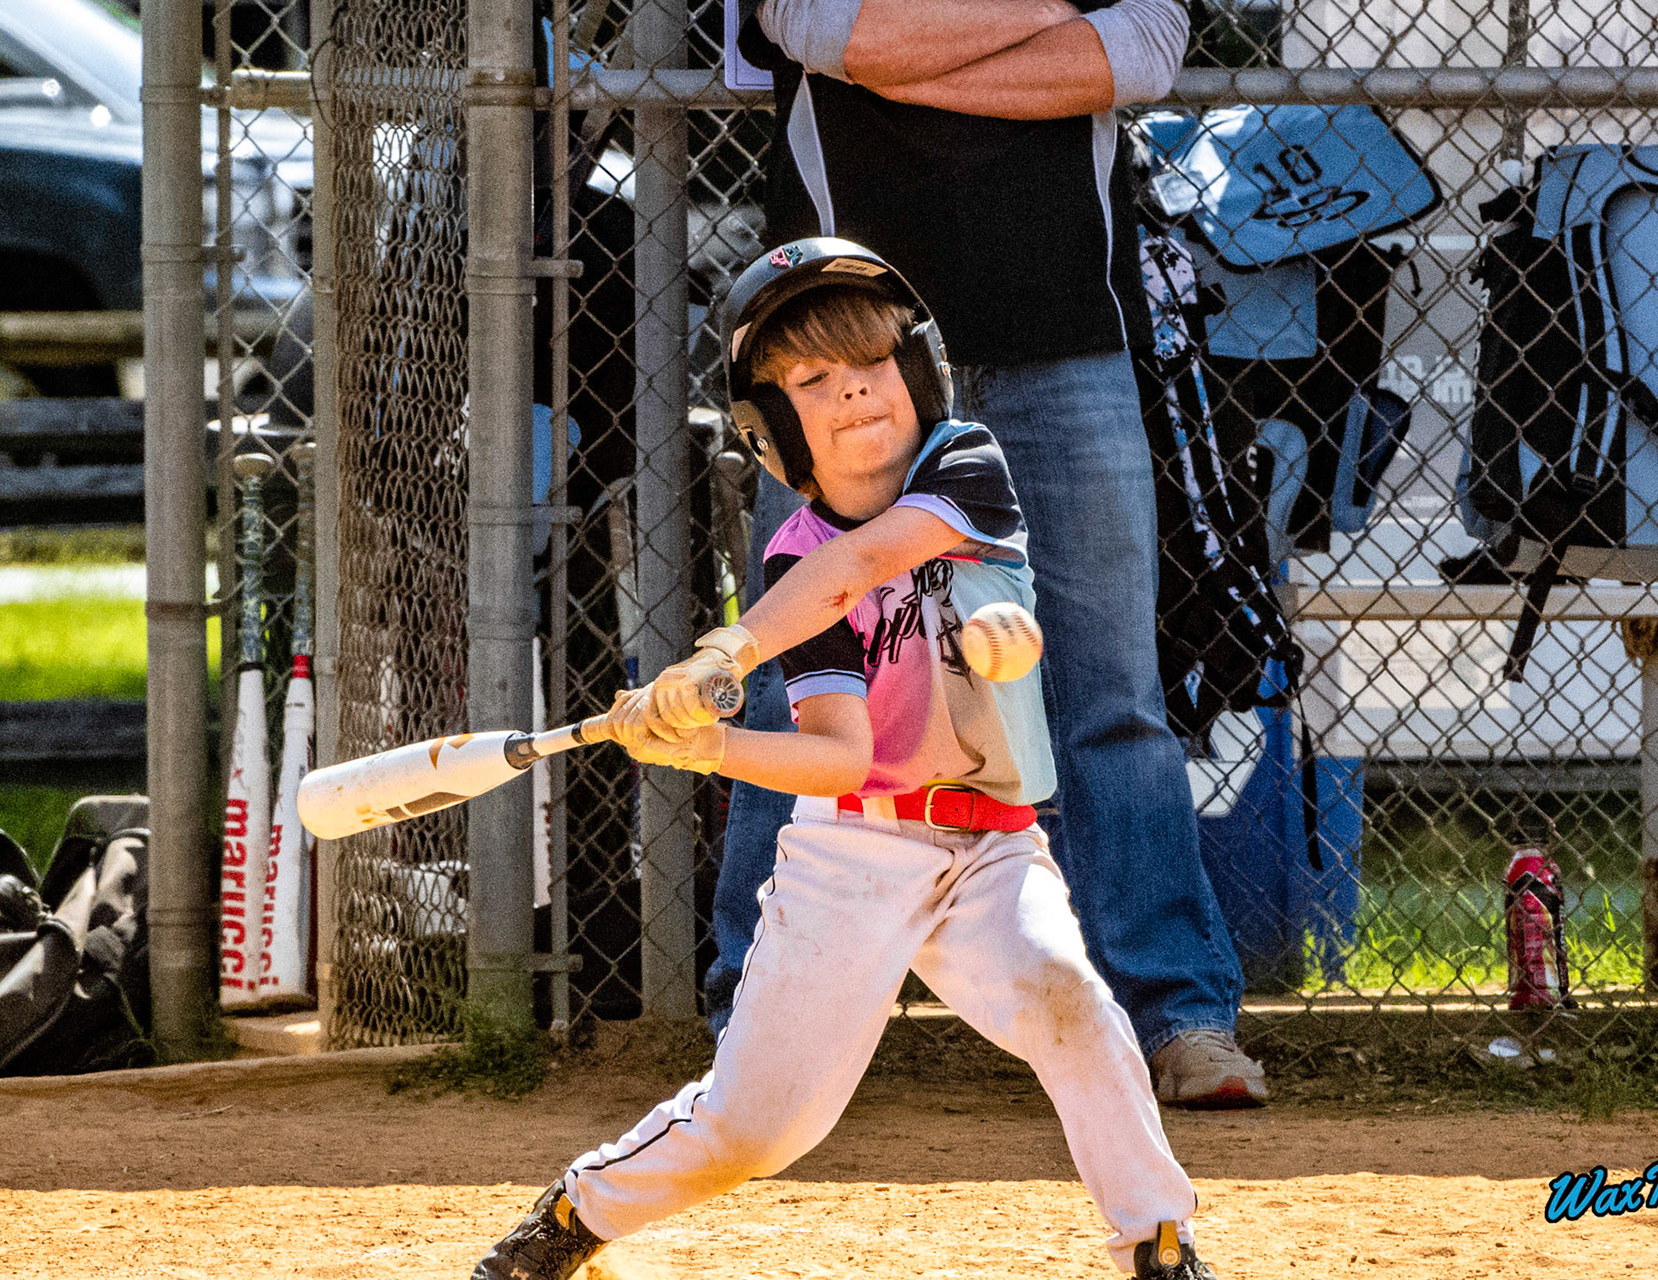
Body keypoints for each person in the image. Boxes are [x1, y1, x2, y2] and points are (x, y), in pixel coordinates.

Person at [470, 239, 1221, 1280]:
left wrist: (729, 647)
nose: (855, 391)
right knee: (761, 1128)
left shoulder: (962, 464)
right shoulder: (788, 559)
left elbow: (860, 564)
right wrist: (708, 742)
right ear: (774, 430)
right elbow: (838, 758)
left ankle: (1157, 1239)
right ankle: (577, 1212)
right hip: (850, 855)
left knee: (1068, 997)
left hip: (994, 846)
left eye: (871, 362)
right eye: (812, 382)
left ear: (919, 372)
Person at [709, 0, 1269, 1109]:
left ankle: (1177, 1016)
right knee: (801, 687)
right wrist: (1053, 19)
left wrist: (908, 63)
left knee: (1111, 691)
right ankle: (757, 1018)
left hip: (1065, 331)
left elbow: (1144, 51)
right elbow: (836, 36)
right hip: (843, 355)